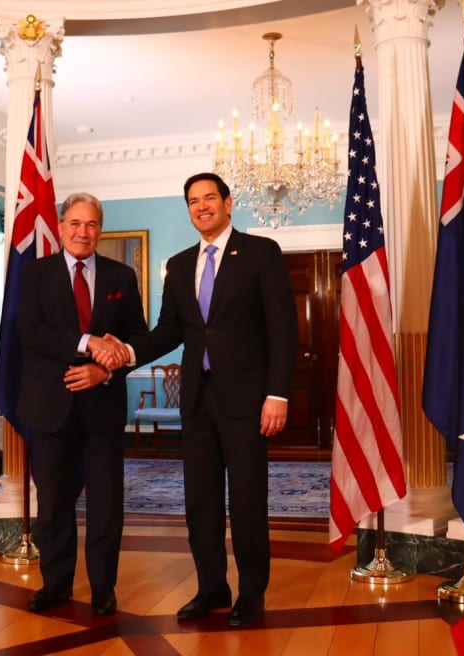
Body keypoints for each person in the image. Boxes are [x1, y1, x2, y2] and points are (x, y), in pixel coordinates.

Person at [97, 172, 297, 628]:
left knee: (247, 501)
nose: (202, 206)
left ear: (229, 203)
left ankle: (250, 594)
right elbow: (170, 330)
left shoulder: (261, 253)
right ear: (188, 210)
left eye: (210, 198)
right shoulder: (180, 263)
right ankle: (212, 588)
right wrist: (126, 352)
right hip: (197, 401)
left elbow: (282, 329)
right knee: (200, 501)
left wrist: (278, 393)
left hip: (249, 400)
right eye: (193, 201)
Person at [16, 192, 148, 616]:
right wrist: (85, 342)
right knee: (53, 502)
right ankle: (55, 585)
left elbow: (137, 341)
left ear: (100, 230)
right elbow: (30, 332)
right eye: (75, 223)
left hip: (103, 407)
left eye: (91, 225)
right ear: (60, 227)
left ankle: (103, 589)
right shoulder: (35, 274)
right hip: (49, 405)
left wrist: (106, 369)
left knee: (106, 504)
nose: (82, 232)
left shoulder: (121, 277)